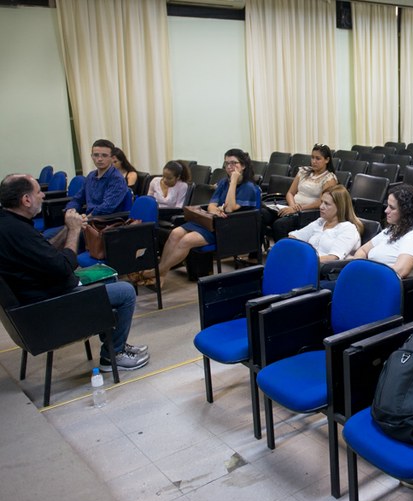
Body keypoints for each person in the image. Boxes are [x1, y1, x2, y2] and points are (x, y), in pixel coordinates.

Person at [0, 174, 149, 370]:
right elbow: (64, 267)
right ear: (26, 200)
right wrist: (73, 232)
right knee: (126, 291)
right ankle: (112, 357)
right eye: (38, 192)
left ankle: (114, 345)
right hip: (48, 306)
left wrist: (70, 227)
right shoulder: (18, 232)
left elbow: (46, 252)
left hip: (38, 297)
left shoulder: (9, 223)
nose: (43, 195)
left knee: (110, 280)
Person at [157, 148, 260, 286]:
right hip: (213, 221)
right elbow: (212, 204)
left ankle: (156, 272)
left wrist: (234, 181)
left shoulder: (249, 187)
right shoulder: (224, 182)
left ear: (243, 166)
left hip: (229, 228)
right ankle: (161, 274)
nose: (229, 167)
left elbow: (229, 208)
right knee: (175, 233)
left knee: (186, 240)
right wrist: (216, 210)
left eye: (234, 163)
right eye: (227, 163)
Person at [352, 184, 413, 278]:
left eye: (392, 208)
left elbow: (400, 271)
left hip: (384, 285)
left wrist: (366, 273)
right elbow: (362, 250)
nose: (386, 210)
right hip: (368, 278)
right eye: (387, 206)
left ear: (406, 211)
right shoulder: (391, 229)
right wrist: (358, 269)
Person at [263, 144, 338, 242]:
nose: (314, 161)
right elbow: (290, 193)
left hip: (307, 213)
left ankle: (284, 254)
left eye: (318, 158)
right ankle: (256, 253)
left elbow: (322, 202)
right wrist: (293, 206)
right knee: (262, 215)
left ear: (327, 160)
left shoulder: (329, 178)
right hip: (293, 207)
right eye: (312, 157)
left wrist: (297, 209)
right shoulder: (303, 171)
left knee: (279, 224)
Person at [289, 184, 363, 262]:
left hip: (323, 270)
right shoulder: (320, 222)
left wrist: (304, 261)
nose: (321, 207)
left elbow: (333, 258)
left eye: (327, 204)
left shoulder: (348, 229)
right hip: (307, 263)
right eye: (321, 202)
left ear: (340, 207)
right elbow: (294, 237)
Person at [65, 139, 130, 216]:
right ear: (91, 156)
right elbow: (78, 199)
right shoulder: (91, 176)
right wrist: (70, 211)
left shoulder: (116, 179)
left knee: (72, 226)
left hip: (106, 222)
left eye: (104, 155)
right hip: (88, 219)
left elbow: (106, 207)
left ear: (112, 158)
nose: (99, 159)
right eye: (96, 155)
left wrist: (85, 219)